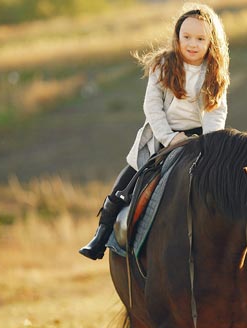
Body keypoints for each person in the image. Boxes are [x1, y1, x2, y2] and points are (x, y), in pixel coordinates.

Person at [79, 3, 230, 260]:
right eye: (187, 37)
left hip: (200, 139)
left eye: (200, 39)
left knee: (227, 181)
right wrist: (170, 138)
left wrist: (209, 143)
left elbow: (216, 111)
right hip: (163, 137)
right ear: (178, 37)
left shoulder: (214, 73)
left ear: (211, 42)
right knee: (127, 182)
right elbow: (152, 107)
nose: (192, 44)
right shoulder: (163, 65)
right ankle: (102, 234)